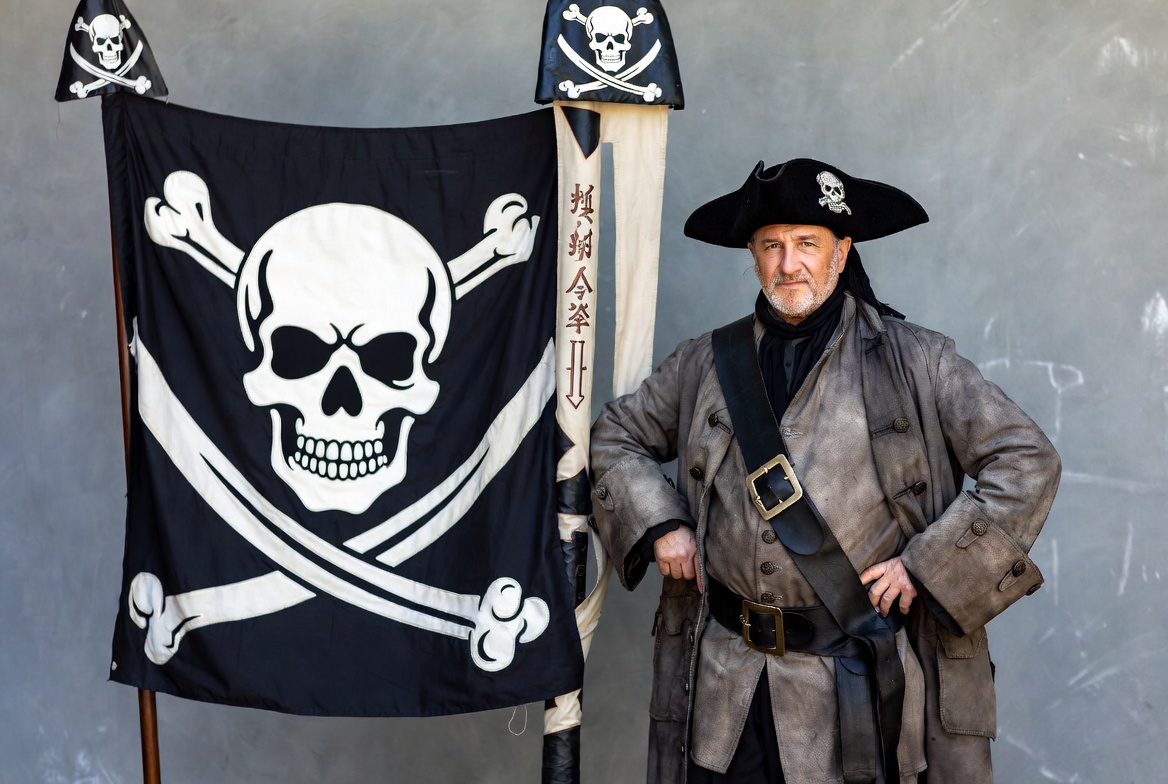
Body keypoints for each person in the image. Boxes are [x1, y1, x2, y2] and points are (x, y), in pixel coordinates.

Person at [589, 158, 1061, 784]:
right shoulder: (703, 362)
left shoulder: (920, 361)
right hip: (725, 691)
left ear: (842, 251)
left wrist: (927, 567)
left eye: (807, 244)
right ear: (753, 256)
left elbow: (1027, 460)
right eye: (772, 246)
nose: (789, 265)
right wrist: (661, 523)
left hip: (856, 693)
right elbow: (614, 436)